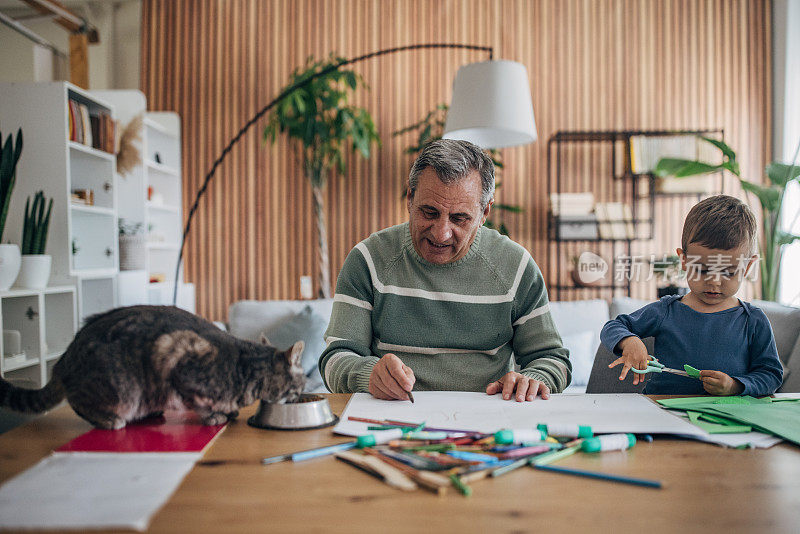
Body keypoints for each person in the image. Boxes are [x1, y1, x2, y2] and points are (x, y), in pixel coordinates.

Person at [319, 139, 571, 402]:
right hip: (393, 418)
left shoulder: (516, 267)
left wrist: (534, 380)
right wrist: (368, 374)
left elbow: (553, 360)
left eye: (459, 218)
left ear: (484, 212)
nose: (441, 233)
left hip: (486, 425)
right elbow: (335, 359)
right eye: (429, 212)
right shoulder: (368, 260)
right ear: (410, 198)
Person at [601, 195, 783, 395]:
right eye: (702, 270)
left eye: (728, 272)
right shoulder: (666, 311)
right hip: (662, 412)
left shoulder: (753, 321)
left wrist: (735, 385)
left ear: (747, 266)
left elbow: (771, 375)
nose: (714, 281)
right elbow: (613, 326)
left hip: (725, 418)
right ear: (684, 260)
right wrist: (629, 341)